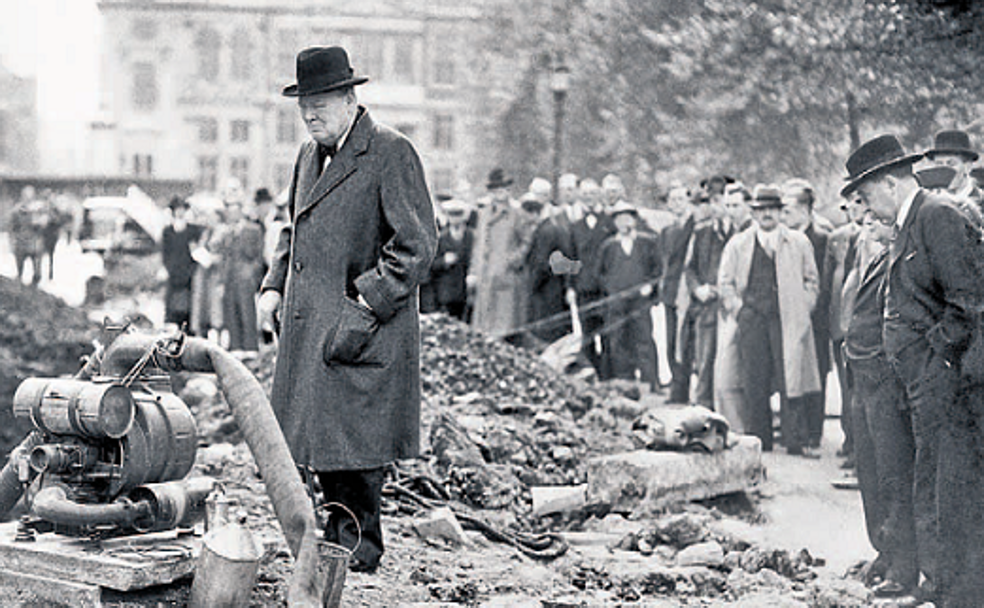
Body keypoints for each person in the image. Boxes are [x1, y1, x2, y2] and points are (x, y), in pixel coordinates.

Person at [256, 46, 437, 573]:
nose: (311, 113)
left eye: (322, 102)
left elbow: (416, 245)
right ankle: (335, 539)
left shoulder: (389, 152)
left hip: (364, 328)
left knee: (356, 444)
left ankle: (360, 547)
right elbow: (295, 230)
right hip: (312, 325)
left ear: (350, 97)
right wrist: (272, 285)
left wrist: (364, 300)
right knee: (320, 441)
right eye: (304, 103)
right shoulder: (308, 156)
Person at [843, 133, 984, 607]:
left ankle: (958, 592)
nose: (866, 210)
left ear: (889, 183)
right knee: (931, 487)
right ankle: (942, 586)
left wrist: (935, 360)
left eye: (865, 197)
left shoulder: (936, 216)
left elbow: (968, 302)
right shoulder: (910, 222)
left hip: (944, 384)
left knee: (951, 493)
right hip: (922, 385)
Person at [841, 208, 918, 599]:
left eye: (875, 217)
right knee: (869, 472)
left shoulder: (902, 261)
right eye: (864, 217)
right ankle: (884, 553)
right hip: (862, 380)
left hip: (886, 383)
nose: (867, 223)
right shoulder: (876, 257)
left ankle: (904, 566)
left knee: (894, 476)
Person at [718, 184, 821, 455]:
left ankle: (794, 440)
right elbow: (725, 283)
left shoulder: (798, 242)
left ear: (780, 212)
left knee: (792, 378)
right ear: (753, 213)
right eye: (761, 210)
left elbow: (812, 281)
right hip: (751, 320)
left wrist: (803, 308)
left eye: (772, 209)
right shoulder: (739, 244)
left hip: (787, 320)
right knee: (754, 379)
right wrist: (738, 310)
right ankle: (758, 438)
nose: (767, 215)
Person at [781, 178, 831, 450]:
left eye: (787, 208)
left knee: (816, 374)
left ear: (804, 209)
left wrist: (809, 311)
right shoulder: (783, 238)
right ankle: (794, 430)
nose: (783, 214)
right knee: (790, 373)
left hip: (815, 320)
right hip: (788, 319)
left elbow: (820, 282)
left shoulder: (822, 237)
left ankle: (814, 431)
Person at [684, 175, 734, 407]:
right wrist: (698, 289)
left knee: (732, 366)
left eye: (722, 200)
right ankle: (704, 417)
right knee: (704, 364)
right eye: (713, 202)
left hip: (732, 310)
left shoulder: (741, 233)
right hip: (706, 308)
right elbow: (690, 269)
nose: (718, 207)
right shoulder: (701, 232)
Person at [825, 193, 865, 466]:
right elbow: (832, 283)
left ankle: (859, 449)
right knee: (846, 386)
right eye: (848, 204)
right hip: (841, 322)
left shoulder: (879, 233)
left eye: (859, 202)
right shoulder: (839, 238)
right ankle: (850, 441)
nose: (853, 209)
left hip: (864, 324)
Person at [468, 168, 532, 340]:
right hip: (485, 278)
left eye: (504, 188)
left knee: (505, 330)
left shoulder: (518, 214)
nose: (500, 192)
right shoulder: (483, 214)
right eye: (496, 189)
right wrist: (473, 272)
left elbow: (527, 243)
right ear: (491, 192)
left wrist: (511, 261)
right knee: (483, 330)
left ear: (509, 190)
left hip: (506, 279)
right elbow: (477, 245)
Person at [213, 188, 265, 353]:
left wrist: (253, 276)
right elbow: (223, 257)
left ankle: (250, 347)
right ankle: (236, 346)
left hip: (245, 277)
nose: (231, 214)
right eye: (229, 211)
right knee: (231, 311)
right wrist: (221, 280)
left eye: (235, 210)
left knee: (247, 312)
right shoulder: (226, 232)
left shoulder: (253, 229)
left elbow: (257, 255)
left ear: (241, 211)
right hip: (230, 277)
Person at [661, 185, 697, 403]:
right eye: (672, 200)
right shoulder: (667, 230)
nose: (676, 204)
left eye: (680, 199)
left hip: (688, 293)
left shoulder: (695, 227)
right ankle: (677, 389)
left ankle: (683, 391)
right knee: (671, 342)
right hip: (670, 293)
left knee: (686, 345)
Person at [161, 196, 204, 332]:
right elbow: (165, 253)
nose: (180, 212)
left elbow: (198, 250)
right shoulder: (167, 231)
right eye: (177, 209)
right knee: (174, 309)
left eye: (182, 209)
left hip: (189, 272)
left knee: (189, 308)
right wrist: (170, 268)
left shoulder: (193, 230)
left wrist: (191, 270)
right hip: (174, 273)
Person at [430, 198, 473, 321]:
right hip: (447, 293)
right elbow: (431, 265)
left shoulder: (472, 236)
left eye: (458, 214)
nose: (455, 218)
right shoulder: (440, 238)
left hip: (467, 291)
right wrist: (444, 261)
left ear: (464, 216)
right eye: (451, 215)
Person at [923, 129, 981, 211]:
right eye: (939, 164)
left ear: (968, 167)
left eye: (951, 164)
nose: (944, 170)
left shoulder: (981, 202)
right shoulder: (926, 204)